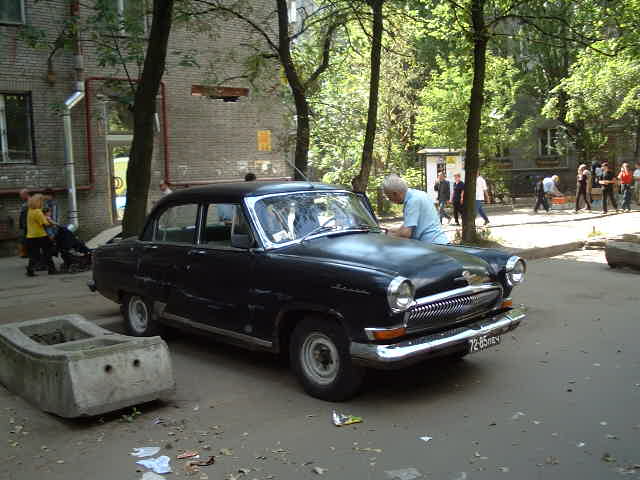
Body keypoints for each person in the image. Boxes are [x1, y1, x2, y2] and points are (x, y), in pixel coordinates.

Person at [383, 174, 449, 245]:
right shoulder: (419, 194)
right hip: (439, 243)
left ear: (395, 194)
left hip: (433, 245)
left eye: (389, 197)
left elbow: (405, 234)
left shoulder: (412, 201)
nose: (390, 200)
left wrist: (388, 237)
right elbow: (409, 224)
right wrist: (393, 230)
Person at [25, 193, 57, 276]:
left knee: (34, 254)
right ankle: (52, 269)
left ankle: (30, 270)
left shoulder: (30, 210)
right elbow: (44, 223)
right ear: (38, 202)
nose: (43, 203)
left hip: (30, 236)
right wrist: (51, 223)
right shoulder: (38, 212)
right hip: (40, 235)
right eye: (42, 201)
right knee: (47, 252)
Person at [17, 189, 30, 257]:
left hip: (29, 226)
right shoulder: (25, 203)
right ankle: (26, 254)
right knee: (23, 241)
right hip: (24, 226)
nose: (20, 197)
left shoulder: (30, 202)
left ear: (25, 194)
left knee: (28, 241)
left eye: (21, 195)